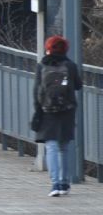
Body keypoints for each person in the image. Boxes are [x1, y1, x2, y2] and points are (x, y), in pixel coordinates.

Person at [33, 35, 80, 197]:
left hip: (47, 110)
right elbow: (79, 85)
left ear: (48, 48)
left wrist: (37, 113)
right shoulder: (71, 65)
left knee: (51, 147)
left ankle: (55, 184)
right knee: (64, 148)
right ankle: (64, 183)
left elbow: (36, 91)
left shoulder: (42, 66)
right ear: (65, 48)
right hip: (67, 110)